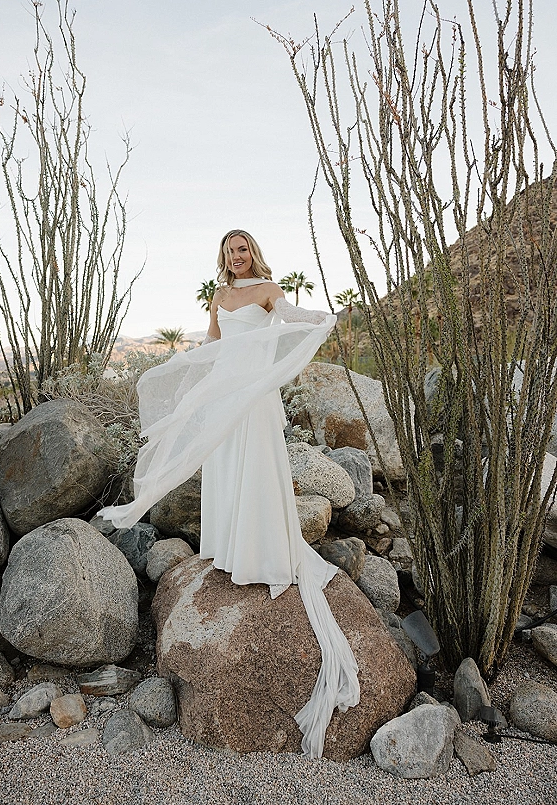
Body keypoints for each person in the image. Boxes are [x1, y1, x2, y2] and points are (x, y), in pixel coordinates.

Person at [100, 230, 360, 758]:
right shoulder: (219, 296)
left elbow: (288, 316)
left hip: (256, 397)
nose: (237, 257)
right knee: (224, 465)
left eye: (242, 249)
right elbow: (213, 349)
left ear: (253, 253)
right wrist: (188, 382)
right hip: (227, 393)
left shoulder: (268, 288)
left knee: (257, 465)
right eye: (230, 251)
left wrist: (320, 319)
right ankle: (227, 544)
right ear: (223, 258)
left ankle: (260, 551)